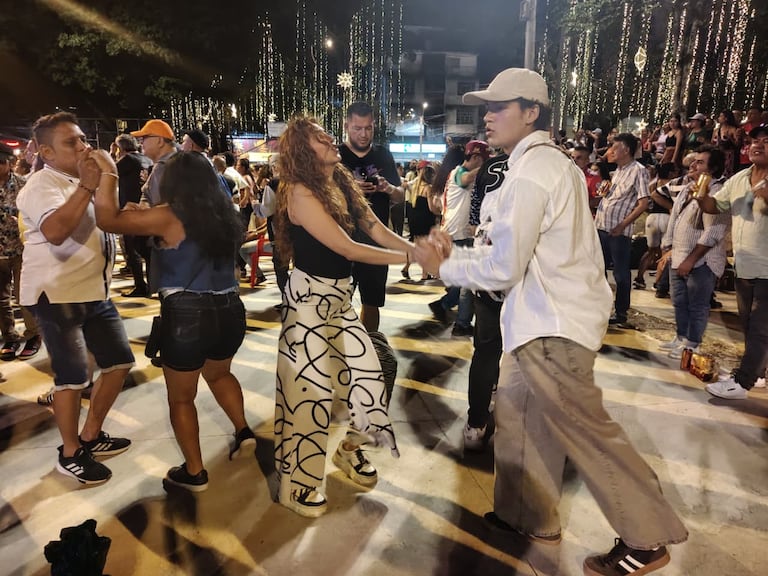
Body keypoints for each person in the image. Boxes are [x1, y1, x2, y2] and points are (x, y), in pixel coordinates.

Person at [414, 67, 687, 575]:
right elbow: (504, 251)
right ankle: (528, 518)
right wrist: (458, 254)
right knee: (519, 420)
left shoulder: (536, 169)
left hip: (553, 326)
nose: (487, 116)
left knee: (586, 434)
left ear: (532, 112)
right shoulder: (527, 167)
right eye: (486, 107)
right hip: (534, 322)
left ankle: (646, 539)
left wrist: (443, 265)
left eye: (499, 107)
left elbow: (503, 267)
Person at [272, 117, 411, 517]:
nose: (331, 139)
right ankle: (300, 482)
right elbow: (348, 248)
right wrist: (413, 257)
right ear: (302, 149)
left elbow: (377, 229)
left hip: (338, 301)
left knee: (378, 370)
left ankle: (349, 450)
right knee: (310, 392)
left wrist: (413, 250)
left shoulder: (342, 183)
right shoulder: (299, 192)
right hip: (308, 303)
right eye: (321, 137)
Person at [94, 150, 254, 492]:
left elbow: (106, 219)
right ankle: (243, 430)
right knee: (220, 374)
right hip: (230, 309)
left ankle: (194, 472)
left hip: (186, 314)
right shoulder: (225, 214)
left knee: (182, 399)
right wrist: (144, 214)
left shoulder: (168, 215)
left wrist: (108, 171)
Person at [17, 112, 135, 485]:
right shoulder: (40, 185)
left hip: (94, 290)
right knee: (71, 377)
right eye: (73, 142)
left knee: (119, 363)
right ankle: (69, 453)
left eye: (83, 139)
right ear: (47, 152)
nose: (84, 146)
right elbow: (54, 231)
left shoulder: (80, 180)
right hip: (57, 293)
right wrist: (87, 186)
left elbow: (106, 220)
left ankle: (90, 436)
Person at [698, 124, 768, 400]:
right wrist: (702, 197)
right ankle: (760, 373)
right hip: (744, 265)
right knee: (751, 326)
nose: (758, 145)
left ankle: (743, 382)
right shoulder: (739, 179)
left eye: (766, 140)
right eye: (754, 140)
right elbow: (716, 206)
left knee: (761, 328)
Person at [339, 101, 404, 332]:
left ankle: (371, 349)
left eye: (368, 128)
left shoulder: (383, 155)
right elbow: (320, 196)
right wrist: (349, 187)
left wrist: (388, 188)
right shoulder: (336, 155)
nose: (363, 134)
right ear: (346, 125)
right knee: (337, 304)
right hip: (341, 240)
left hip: (377, 242)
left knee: (372, 302)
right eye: (357, 128)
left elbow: (400, 195)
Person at [658, 146, 729, 359]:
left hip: (703, 261)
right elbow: (675, 218)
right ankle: (681, 337)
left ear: (713, 168)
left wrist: (691, 260)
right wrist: (667, 246)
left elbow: (714, 232)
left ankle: (693, 343)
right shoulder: (688, 186)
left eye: (700, 162)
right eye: (694, 160)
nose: (693, 165)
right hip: (678, 254)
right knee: (679, 300)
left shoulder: (718, 193)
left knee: (697, 304)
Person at [428, 140, 489, 336]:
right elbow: (467, 178)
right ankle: (461, 323)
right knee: (467, 283)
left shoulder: (455, 173)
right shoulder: (459, 173)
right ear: (476, 157)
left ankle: (444, 305)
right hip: (458, 235)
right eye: (482, 159)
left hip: (455, 233)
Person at [594, 133, 651, 326]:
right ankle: (600, 308)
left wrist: (622, 225)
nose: (609, 151)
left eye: (613, 147)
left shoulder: (639, 170)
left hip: (619, 232)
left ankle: (621, 312)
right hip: (602, 227)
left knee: (620, 274)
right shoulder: (617, 171)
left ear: (626, 150)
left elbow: (643, 203)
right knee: (598, 271)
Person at [0, 142, 42, 361]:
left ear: (9, 163)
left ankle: (34, 335)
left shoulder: (24, 184)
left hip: (21, 249)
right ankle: (9, 336)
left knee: (24, 296)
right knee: (1, 299)